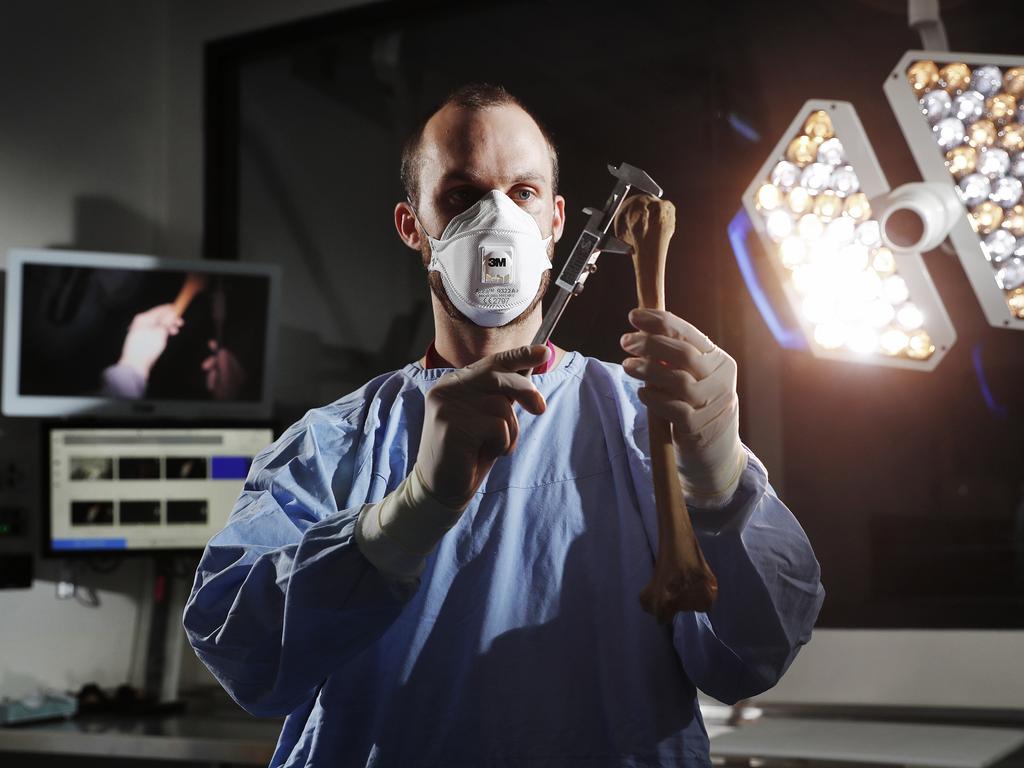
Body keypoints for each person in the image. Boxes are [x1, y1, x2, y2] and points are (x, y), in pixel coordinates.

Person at [183, 84, 825, 768]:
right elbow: (243, 658)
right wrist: (407, 514)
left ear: (555, 221)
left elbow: (752, 659)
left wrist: (720, 480)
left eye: (521, 192)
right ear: (412, 226)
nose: (496, 217)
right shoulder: (330, 445)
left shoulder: (650, 423)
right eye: (460, 196)